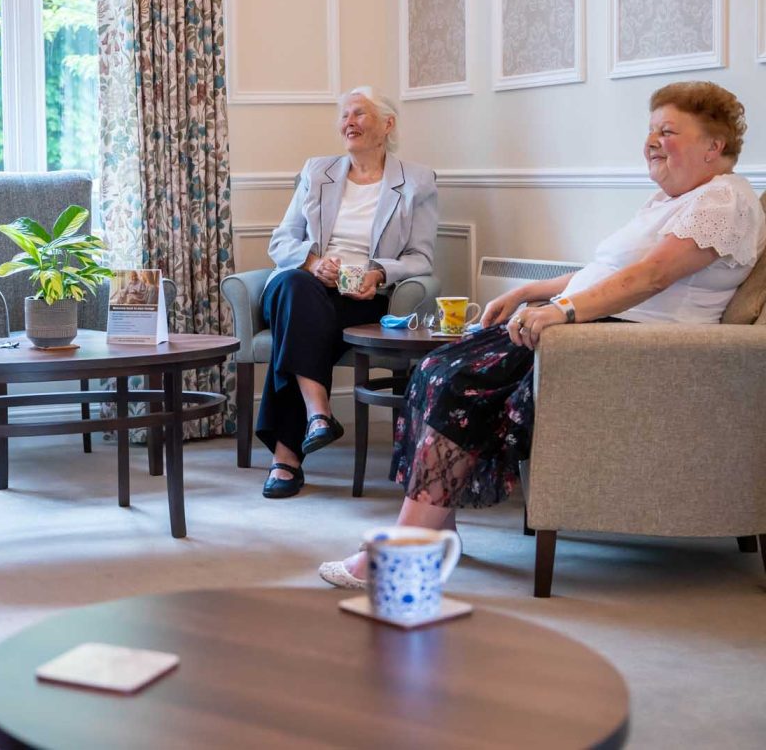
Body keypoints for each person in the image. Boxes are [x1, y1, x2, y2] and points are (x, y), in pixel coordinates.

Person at [319, 81, 766, 588]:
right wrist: (530, 291)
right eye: (650, 130)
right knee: (435, 366)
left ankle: (407, 549)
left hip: (631, 352)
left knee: (460, 380)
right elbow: (607, 272)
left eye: (668, 131)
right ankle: (433, 526)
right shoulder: (673, 201)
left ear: (714, 146)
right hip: (603, 332)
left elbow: (651, 277)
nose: (651, 141)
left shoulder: (723, 199)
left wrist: (564, 311)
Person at [258, 87, 437, 498]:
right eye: (344, 115)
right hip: (300, 285)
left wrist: (379, 272)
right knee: (295, 288)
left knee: (299, 323)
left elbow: (421, 257)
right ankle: (318, 412)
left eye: (359, 113)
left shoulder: (416, 182)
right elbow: (281, 240)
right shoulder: (317, 171)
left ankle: (287, 458)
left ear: (387, 124)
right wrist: (312, 262)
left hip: (358, 298)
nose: (348, 122)